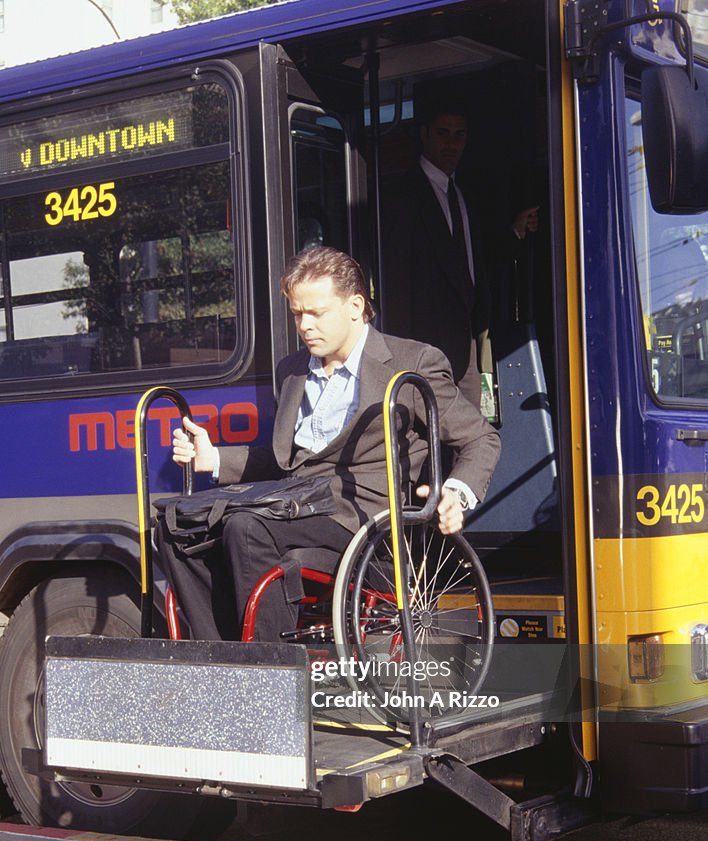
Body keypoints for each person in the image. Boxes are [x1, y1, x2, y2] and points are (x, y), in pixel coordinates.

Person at [159, 246, 500, 642]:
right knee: (175, 527)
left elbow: (480, 437)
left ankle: (274, 668)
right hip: (296, 506)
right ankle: (223, 657)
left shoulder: (412, 362)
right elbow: (289, 462)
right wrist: (215, 458)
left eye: (316, 313)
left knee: (246, 526)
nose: (304, 325)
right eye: (297, 314)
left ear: (355, 306)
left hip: (363, 521)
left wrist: (455, 493)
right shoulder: (291, 372)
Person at [381, 98, 491, 407]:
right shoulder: (402, 197)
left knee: (472, 435)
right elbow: (397, 282)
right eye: (443, 133)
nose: (452, 143)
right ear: (425, 135)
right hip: (425, 349)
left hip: (468, 346)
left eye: (460, 134)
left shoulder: (462, 194)